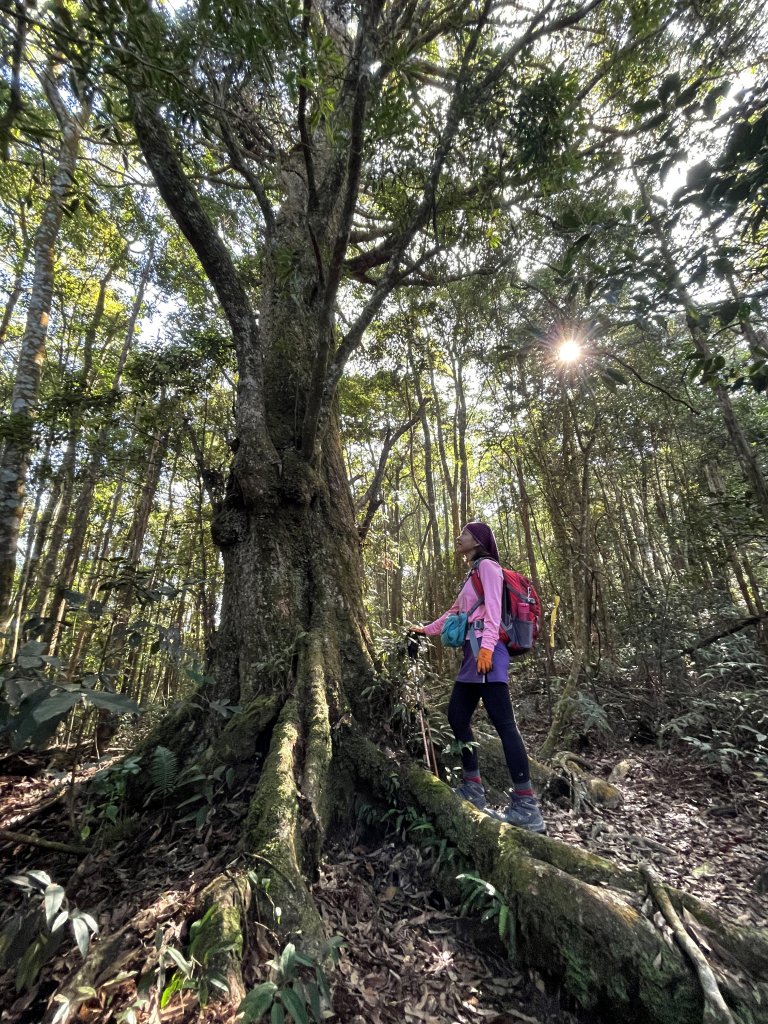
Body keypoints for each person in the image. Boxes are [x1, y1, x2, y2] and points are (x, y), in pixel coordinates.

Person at [410, 522, 546, 833]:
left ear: (478, 541)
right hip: (472, 656)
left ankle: (526, 804)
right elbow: (454, 614)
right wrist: (424, 631)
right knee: (457, 715)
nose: (458, 538)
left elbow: (495, 609)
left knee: (504, 723)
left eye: (464, 534)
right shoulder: (472, 573)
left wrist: (486, 649)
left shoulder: (488, 566)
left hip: (487, 654)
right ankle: (473, 786)